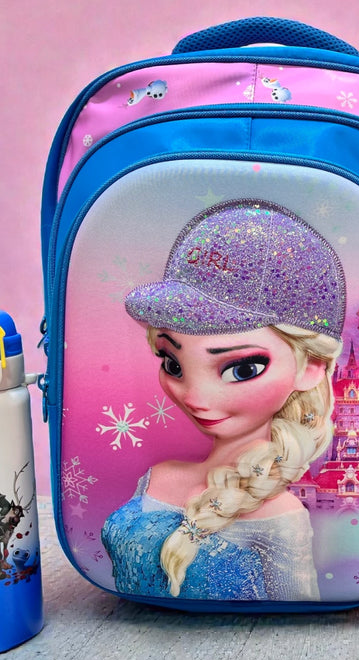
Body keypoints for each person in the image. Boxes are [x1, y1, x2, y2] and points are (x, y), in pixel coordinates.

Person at [102, 199, 346, 600]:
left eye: (242, 369)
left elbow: (296, 614)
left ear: (311, 367)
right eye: (173, 363)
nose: (195, 397)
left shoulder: (281, 518)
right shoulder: (156, 477)